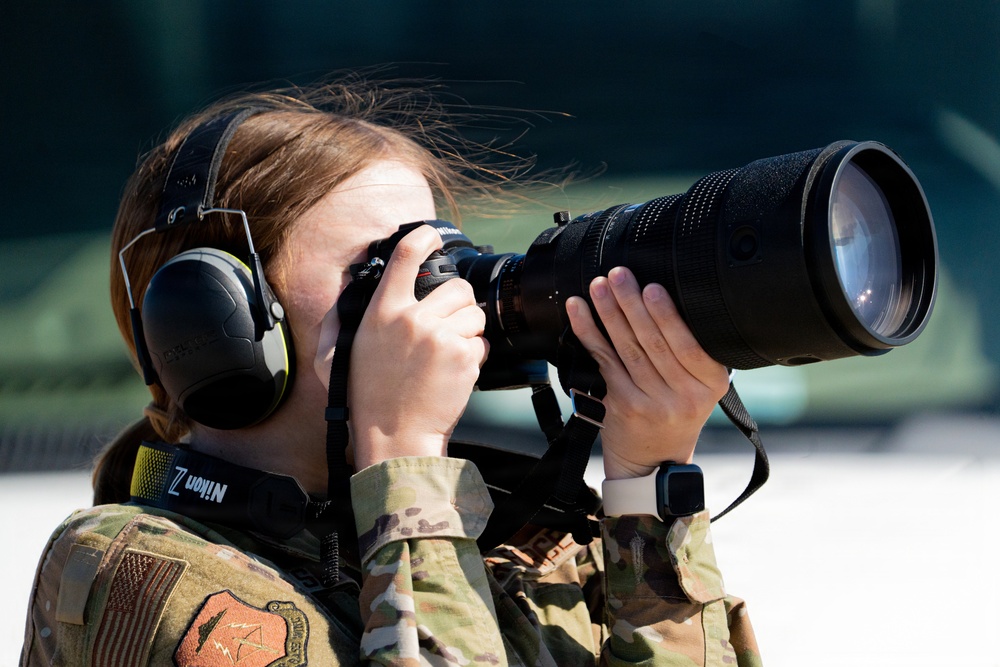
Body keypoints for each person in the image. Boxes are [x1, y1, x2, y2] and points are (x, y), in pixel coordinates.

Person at [20, 76, 761, 666]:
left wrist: (646, 487)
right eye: (379, 272)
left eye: (438, 258)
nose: (436, 299)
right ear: (214, 322)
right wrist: (405, 468)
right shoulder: (128, 571)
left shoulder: (519, 549)